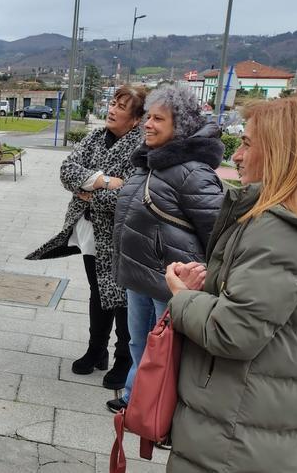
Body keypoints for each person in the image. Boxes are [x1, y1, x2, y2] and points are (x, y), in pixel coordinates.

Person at [164, 95, 297, 472]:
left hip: (235, 435)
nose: (236, 156)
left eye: (246, 143)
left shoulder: (276, 230)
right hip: (251, 421)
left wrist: (183, 297)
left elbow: (233, 330)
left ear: (280, 152)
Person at [107, 84, 224, 413]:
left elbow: (218, 234)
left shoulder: (193, 173)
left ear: (180, 126)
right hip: (140, 276)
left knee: (166, 348)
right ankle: (135, 397)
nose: (147, 124)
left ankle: (163, 407)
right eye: (147, 116)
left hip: (170, 283)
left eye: (158, 118)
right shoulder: (149, 163)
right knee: (139, 342)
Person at [27, 86, 147, 389]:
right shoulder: (95, 138)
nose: (112, 109)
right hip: (90, 232)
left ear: (135, 119)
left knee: (121, 297)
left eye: (121, 106)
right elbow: (67, 170)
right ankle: (97, 350)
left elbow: (130, 194)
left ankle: (124, 358)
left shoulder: (142, 147)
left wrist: (91, 193)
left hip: (120, 234)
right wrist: (104, 181)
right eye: (113, 103)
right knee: (97, 288)